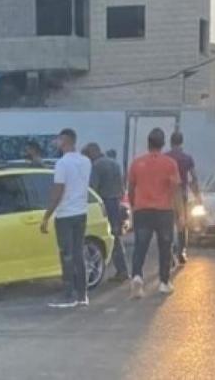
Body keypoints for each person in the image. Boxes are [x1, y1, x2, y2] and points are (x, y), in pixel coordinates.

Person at [39, 129, 92, 308]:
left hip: (65, 214)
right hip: (81, 212)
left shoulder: (62, 163)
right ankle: (82, 295)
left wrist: (47, 216)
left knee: (67, 254)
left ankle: (68, 295)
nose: (57, 143)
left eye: (59, 140)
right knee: (78, 253)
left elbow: (58, 191)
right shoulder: (86, 161)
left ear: (65, 140)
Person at [127, 128, 181, 298]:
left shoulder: (137, 163)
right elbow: (175, 189)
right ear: (163, 144)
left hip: (142, 210)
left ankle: (137, 276)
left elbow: (131, 188)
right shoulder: (170, 163)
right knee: (165, 246)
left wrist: (134, 205)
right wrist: (179, 213)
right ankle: (164, 282)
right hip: (164, 211)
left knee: (140, 246)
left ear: (148, 143)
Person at [90, 147, 129, 282]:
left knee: (107, 237)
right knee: (115, 237)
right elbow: (122, 187)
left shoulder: (96, 165)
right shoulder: (115, 164)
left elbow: (92, 188)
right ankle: (122, 269)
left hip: (105, 203)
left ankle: (121, 271)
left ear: (92, 153)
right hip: (116, 203)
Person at [165, 131, 201, 265]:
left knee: (168, 226)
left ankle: (169, 252)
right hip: (181, 195)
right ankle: (181, 251)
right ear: (182, 142)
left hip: (167, 196)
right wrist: (197, 196)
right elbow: (194, 178)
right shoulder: (187, 158)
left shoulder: (165, 157)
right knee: (182, 224)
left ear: (170, 142)